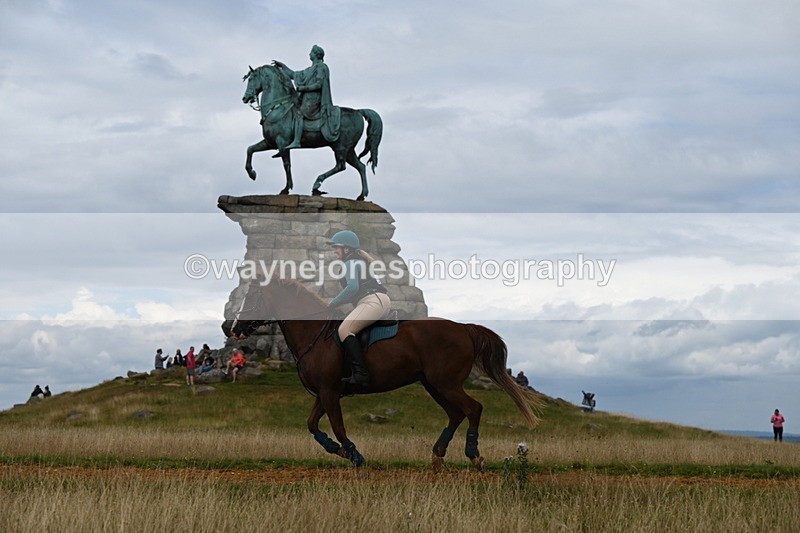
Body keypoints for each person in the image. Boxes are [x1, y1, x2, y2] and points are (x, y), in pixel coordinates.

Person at [327, 230, 391, 386]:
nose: (334, 250)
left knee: (344, 330)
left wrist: (332, 303)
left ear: (347, 249)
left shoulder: (351, 262)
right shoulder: (360, 260)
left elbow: (352, 288)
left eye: (336, 247)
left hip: (371, 301)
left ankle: (361, 374)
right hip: (379, 301)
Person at [272, 44, 341, 150]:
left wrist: (303, 88)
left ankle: (297, 141)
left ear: (316, 54)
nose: (309, 54)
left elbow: (319, 84)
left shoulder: (321, 67)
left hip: (314, 100)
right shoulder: (309, 69)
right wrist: (283, 66)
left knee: (298, 113)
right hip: (306, 99)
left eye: (311, 52)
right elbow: (293, 74)